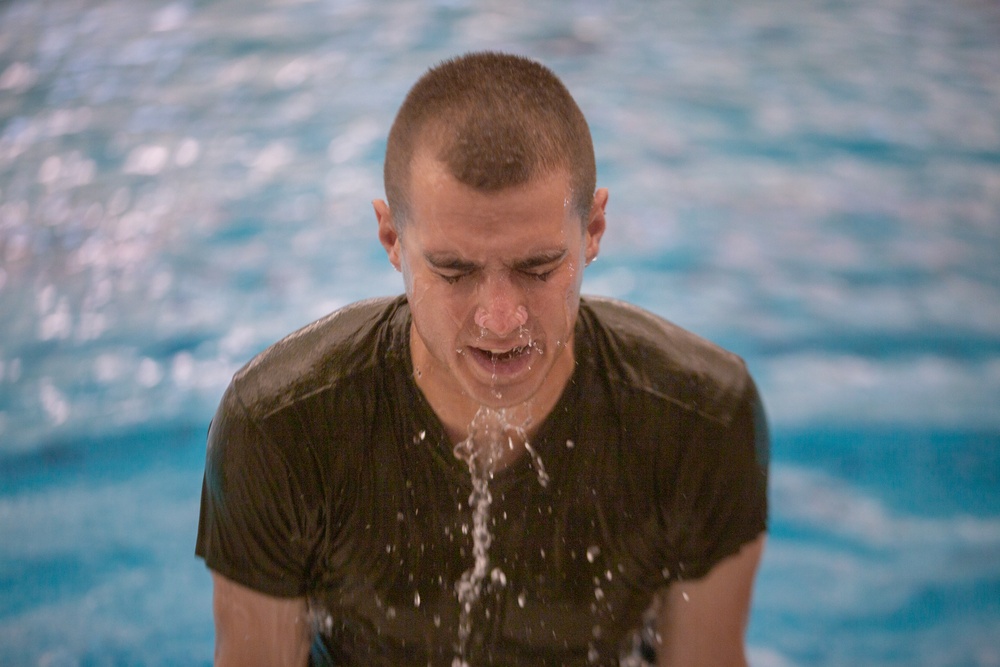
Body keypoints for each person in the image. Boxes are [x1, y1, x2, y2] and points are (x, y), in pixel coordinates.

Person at [196, 51, 768, 667]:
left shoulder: (698, 419)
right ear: (392, 240)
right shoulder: (283, 429)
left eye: (538, 268)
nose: (500, 319)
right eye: (453, 271)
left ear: (595, 228)